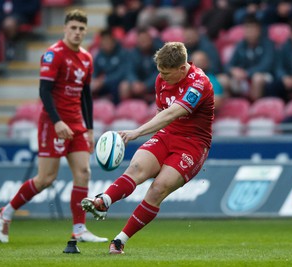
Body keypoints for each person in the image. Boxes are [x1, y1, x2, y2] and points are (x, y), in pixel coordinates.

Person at [82, 42, 214, 254]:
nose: (162, 76)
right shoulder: (161, 79)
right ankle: (103, 200)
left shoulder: (200, 83)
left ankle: (119, 240)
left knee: (158, 189)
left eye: (167, 73)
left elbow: (171, 113)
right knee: (136, 168)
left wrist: (136, 132)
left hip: (192, 144)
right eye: (160, 71)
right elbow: (163, 117)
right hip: (167, 134)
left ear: (182, 69)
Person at [0, 9, 108, 244]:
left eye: (81, 29)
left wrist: (89, 129)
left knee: (84, 173)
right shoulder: (53, 55)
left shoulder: (87, 58)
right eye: (73, 28)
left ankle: (79, 229)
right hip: (52, 122)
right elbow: (44, 92)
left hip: (76, 124)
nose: (77, 32)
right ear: (65, 29)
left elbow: (86, 96)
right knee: (46, 179)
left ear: (85, 32)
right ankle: (6, 213)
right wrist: (57, 122)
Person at [119, 27, 163, 103]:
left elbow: (160, 71)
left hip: (154, 83)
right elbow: (129, 71)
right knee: (124, 86)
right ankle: (127, 108)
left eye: (146, 39)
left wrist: (146, 85)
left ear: (151, 39)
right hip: (137, 84)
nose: (144, 42)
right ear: (137, 41)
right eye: (141, 40)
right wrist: (134, 82)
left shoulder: (160, 52)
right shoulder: (132, 53)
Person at [91, 28, 129, 104]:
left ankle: (117, 109)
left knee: (119, 86)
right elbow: (94, 71)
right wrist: (94, 80)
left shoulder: (122, 53)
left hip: (118, 83)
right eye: (104, 41)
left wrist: (104, 80)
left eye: (108, 40)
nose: (106, 43)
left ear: (113, 41)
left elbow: (122, 73)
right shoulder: (99, 54)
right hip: (104, 83)